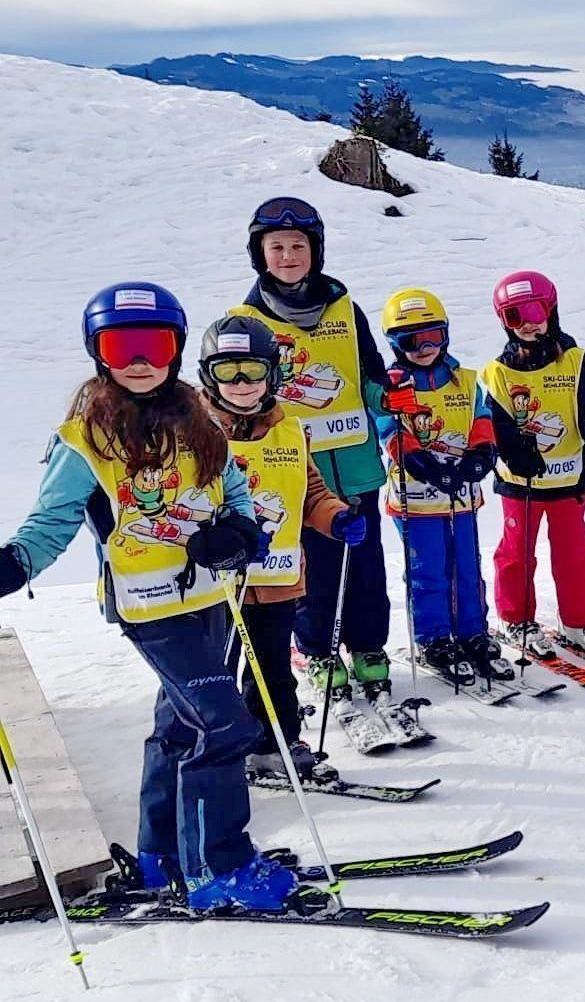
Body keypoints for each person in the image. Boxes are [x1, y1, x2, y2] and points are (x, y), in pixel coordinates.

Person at [0, 283, 321, 912]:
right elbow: (51, 523)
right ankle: (216, 869)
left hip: (207, 598)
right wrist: (13, 564)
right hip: (149, 606)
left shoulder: (201, 422)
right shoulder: (85, 440)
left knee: (177, 728)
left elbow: (239, 497)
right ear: (99, 352)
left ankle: (163, 854)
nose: (140, 360)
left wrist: (237, 533)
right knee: (224, 724)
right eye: (124, 345)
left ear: (175, 349)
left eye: (156, 344)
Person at [225, 197, 397, 708]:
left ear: (315, 250)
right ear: (260, 254)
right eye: (275, 246)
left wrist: (389, 398)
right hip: (291, 471)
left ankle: (368, 646)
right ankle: (318, 650)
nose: (287, 255)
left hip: (356, 464)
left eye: (297, 245)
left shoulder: (346, 307)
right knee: (314, 570)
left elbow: (368, 376)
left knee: (366, 567)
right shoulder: (245, 320)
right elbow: (232, 392)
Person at [195, 316, 360, 782]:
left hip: (277, 576)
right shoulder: (193, 433)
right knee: (217, 672)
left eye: (253, 369)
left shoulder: (291, 429)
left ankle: (277, 745)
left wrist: (336, 516)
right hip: (215, 585)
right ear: (209, 375)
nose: (243, 383)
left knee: (273, 671)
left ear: (273, 372)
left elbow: (309, 491)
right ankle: (217, 752)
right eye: (229, 371)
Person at [375, 288, 512, 685]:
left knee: (468, 567)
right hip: (416, 499)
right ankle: (434, 636)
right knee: (429, 570)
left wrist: (482, 453)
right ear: (394, 344)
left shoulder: (465, 381)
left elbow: (481, 417)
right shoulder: (393, 385)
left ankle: (472, 631)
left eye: (433, 336)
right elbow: (390, 429)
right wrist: (419, 461)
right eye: (411, 341)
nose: (424, 348)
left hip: (462, 494)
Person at [479, 270, 585, 659]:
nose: (528, 323)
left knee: (574, 551)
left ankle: (579, 619)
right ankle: (516, 616)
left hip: (569, 479)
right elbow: (496, 422)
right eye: (514, 316)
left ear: (551, 310)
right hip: (520, 483)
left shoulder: (574, 361)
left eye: (536, 311)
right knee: (516, 552)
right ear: (503, 321)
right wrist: (510, 450)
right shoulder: (498, 372)